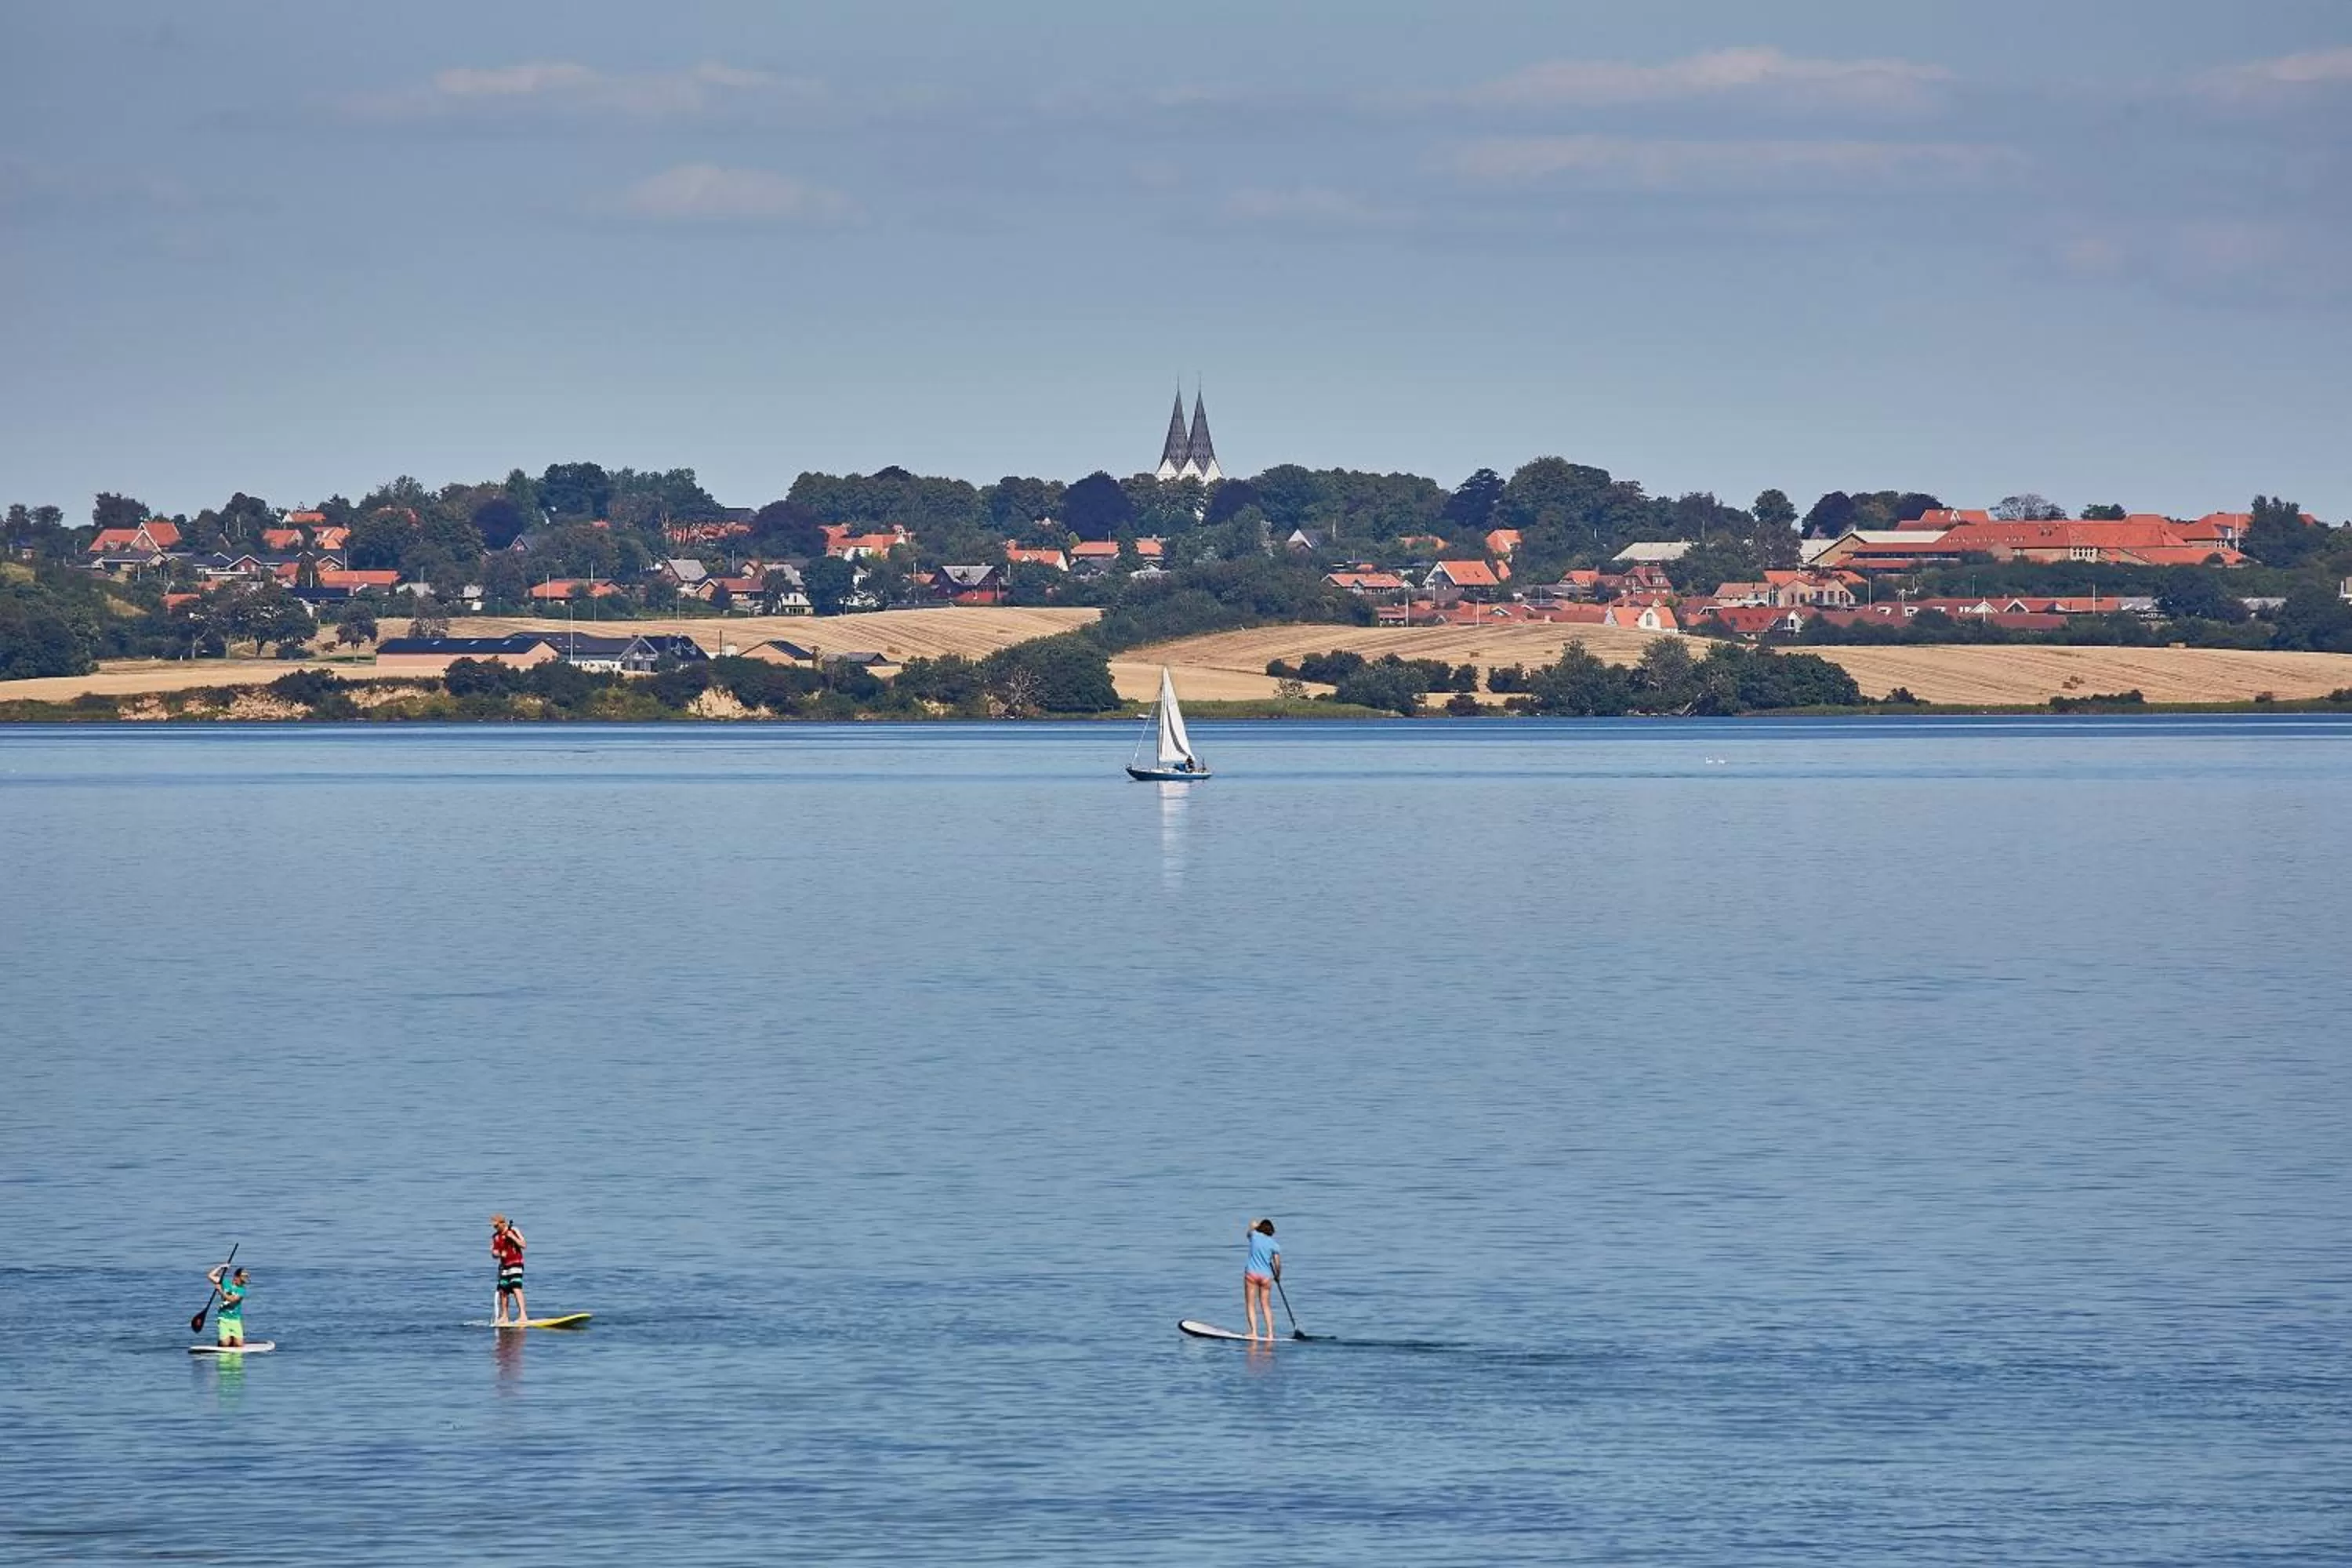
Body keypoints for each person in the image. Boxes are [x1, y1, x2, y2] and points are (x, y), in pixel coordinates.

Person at [1243, 1218, 1281, 1341]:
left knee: (1251, 1304)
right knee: (1266, 1305)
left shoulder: (1254, 1236)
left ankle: (1254, 1332)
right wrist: (1278, 1276)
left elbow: (1251, 1227)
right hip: (1266, 1277)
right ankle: (1270, 1334)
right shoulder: (1274, 1245)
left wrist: (1256, 1226)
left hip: (1252, 1275)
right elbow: (1277, 1264)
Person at [491, 1214, 528, 1327]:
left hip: (516, 1263)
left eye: (496, 1226)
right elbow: (493, 1252)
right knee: (503, 1291)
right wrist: (497, 1254)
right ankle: (504, 1316)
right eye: (494, 1226)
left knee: (516, 1287)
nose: (495, 1228)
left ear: (502, 1223)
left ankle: (523, 1315)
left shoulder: (514, 1230)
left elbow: (524, 1245)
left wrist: (512, 1237)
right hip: (504, 1266)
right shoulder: (495, 1237)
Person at [207, 1264, 249, 1348]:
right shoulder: (225, 1282)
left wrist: (220, 1291)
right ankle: (223, 1341)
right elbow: (210, 1276)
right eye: (242, 1280)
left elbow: (232, 1299)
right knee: (225, 1344)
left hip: (235, 1319)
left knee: (239, 1345)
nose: (243, 1282)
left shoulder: (242, 1290)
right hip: (223, 1318)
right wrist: (221, 1267)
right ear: (236, 1277)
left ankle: (232, 1339)